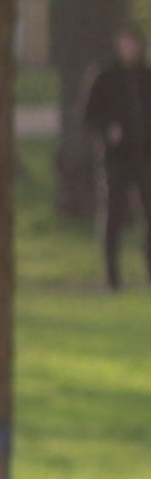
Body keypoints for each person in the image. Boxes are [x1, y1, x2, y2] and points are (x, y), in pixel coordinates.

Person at [88, 27, 151, 290]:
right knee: (114, 216)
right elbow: (89, 115)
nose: (130, 48)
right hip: (117, 158)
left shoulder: (146, 77)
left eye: (133, 43)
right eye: (125, 43)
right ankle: (112, 278)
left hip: (146, 156)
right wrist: (108, 130)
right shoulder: (105, 77)